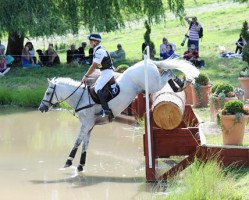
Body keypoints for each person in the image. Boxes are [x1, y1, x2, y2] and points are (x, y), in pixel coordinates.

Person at [81, 33, 114, 117]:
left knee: (98, 88)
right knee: (95, 87)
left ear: (95, 42)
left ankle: (106, 110)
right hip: (104, 72)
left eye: (90, 41)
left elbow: (94, 66)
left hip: (107, 72)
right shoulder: (97, 50)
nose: (90, 43)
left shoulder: (99, 51)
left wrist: (86, 76)